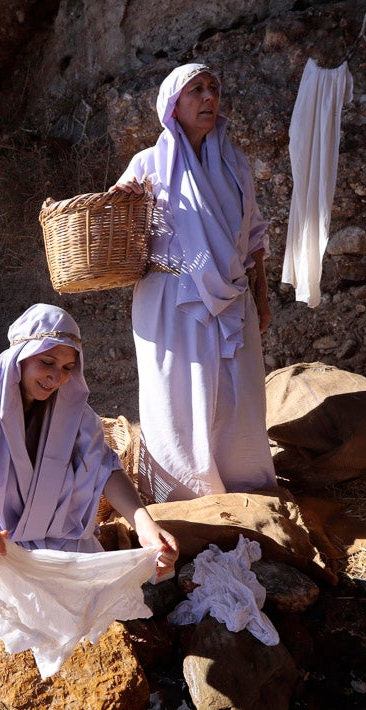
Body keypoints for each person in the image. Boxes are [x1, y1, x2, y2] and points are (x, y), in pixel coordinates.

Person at [0, 303, 177, 635]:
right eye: (47, 362)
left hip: (49, 534)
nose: (56, 377)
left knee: (93, 603)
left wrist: (144, 522)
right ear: (21, 354)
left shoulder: (71, 409)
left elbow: (106, 467)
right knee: (3, 619)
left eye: (67, 367)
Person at [113, 63, 277, 502]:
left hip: (233, 296)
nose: (208, 98)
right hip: (171, 298)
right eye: (196, 90)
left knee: (237, 392)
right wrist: (125, 202)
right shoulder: (147, 164)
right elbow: (115, 229)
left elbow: (254, 235)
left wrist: (262, 297)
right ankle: (183, 494)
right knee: (178, 393)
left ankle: (244, 486)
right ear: (173, 105)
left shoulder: (234, 163)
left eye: (213, 89)